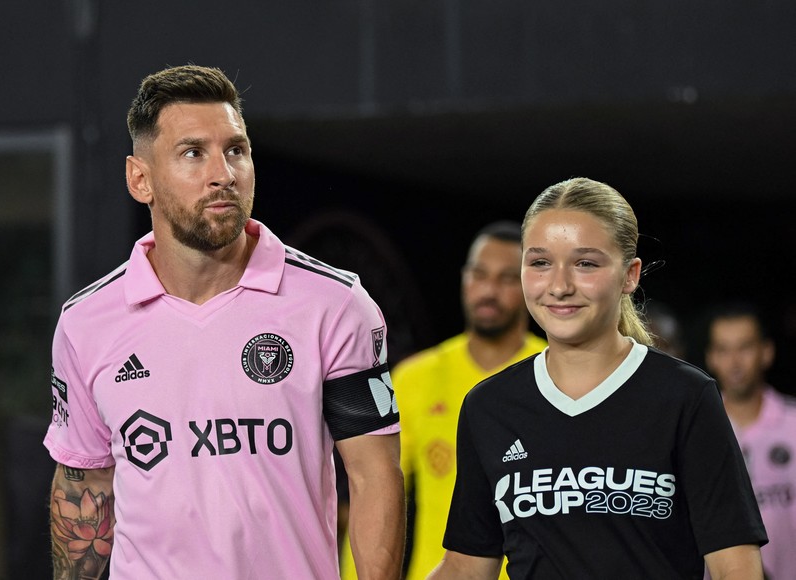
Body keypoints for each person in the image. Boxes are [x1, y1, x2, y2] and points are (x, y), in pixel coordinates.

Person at [43, 65, 405, 580]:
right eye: (194, 153)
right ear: (139, 178)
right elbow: (85, 483)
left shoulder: (336, 305)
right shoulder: (86, 322)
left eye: (236, 150)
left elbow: (374, 478)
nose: (224, 174)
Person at [429, 177, 767, 579]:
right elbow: (466, 569)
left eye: (585, 263)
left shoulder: (685, 396)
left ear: (630, 275)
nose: (559, 286)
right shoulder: (489, 406)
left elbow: (736, 569)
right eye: (539, 262)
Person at [341, 221, 545, 580]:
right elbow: (373, 491)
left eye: (506, 278)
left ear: (531, 284)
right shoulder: (416, 376)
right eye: (479, 275)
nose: (489, 290)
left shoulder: (555, 372)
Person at [706, 302, 796, 579]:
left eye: (744, 347)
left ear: (766, 352)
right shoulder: (697, 431)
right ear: (711, 357)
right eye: (723, 349)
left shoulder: (793, 424)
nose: (734, 362)